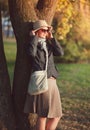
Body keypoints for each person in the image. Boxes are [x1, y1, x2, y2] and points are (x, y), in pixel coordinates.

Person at [24, 20, 64, 130]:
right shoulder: (33, 43)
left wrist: (52, 38)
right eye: (43, 30)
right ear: (36, 31)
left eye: (47, 30)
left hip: (52, 81)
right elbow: (31, 53)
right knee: (43, 115)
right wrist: (34, 38)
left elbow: (60, 53)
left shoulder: (48, 44)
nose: (46, 32)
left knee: (57, 115)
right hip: (42, 81)